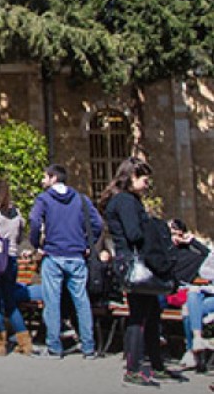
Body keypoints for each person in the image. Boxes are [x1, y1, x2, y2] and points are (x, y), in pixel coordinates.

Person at [101, 157, 185, 386]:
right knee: (139, 316)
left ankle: (155, 364)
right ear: (132, 177)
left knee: (151, 314)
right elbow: (135, 233)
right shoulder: (126, 201)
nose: (148, 184)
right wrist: (156, 228)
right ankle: (134, 367)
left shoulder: (125, 200)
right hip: (134, 263)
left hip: (132, 262)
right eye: (144, 179)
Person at [29, 163, 102, 360]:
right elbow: (97, 224)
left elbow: (35, 221)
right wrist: (88, 243)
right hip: (76, 255)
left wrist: (37, 244)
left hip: (53, 255)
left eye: (45, 177)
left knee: (52, 302)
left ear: (53, 178)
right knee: (81, 301)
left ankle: (54, 347)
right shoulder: (81, 199)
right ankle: (88, 347)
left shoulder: (44, 199)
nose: (42, 180)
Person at [0, 178, 30, 356]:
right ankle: (25, 341)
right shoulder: (15, 212)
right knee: (10, 302)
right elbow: (20, 234)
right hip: (12, 259)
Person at [168, 218, 213, 371]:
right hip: (179, 294)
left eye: (175, 230)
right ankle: (196, 344)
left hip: (197, 295)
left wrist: (192, 241)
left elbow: (208, 257)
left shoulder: (192, 256)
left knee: (189, 306)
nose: (173, 234)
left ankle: (191, 351)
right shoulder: (167, 253)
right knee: (191, 302)